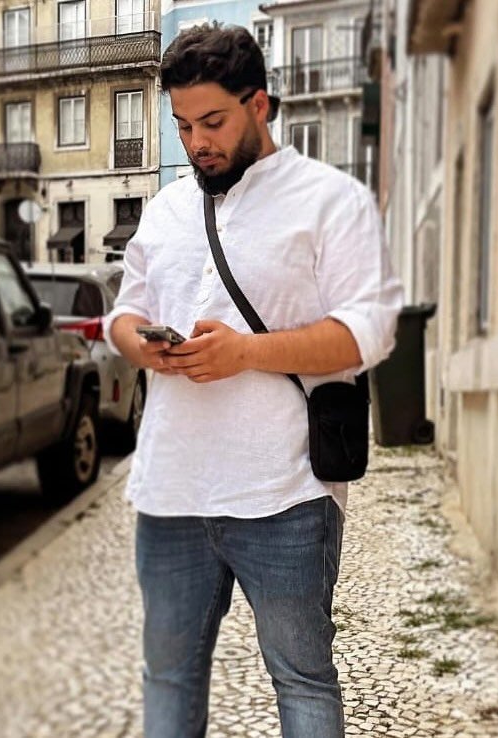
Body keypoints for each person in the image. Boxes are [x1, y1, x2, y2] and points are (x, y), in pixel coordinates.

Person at [105, 22, 403, 738]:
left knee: (303, 681)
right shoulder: (167, 209)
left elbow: (370, 330)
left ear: (259, 105)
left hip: (285, 491)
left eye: (212, 122)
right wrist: (142, 346)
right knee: (168, 679)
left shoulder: (331, 200)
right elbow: (124, 313)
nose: (196, 143)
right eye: (183, 126)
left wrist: (245, 354)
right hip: (171, 492)